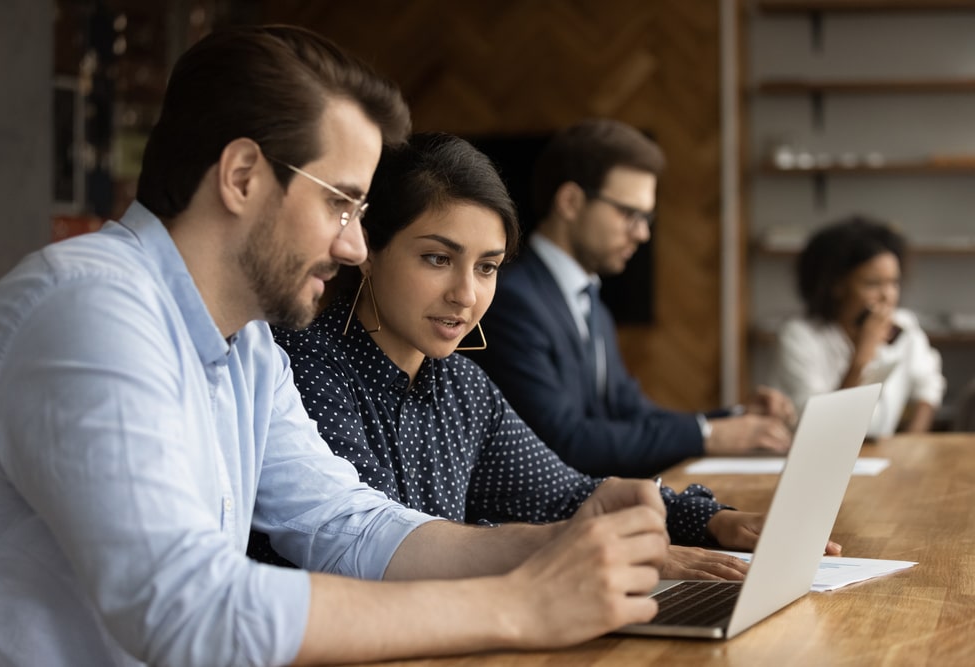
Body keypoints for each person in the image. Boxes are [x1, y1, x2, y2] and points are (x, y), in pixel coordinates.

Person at [0, 27, 672, 666]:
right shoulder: (89, 308)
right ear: (243, 175)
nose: (354, 244)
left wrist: (560, 545)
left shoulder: (246, 343)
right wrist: (520, 604)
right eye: (340, 203)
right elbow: (186, 608)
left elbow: (348, 523)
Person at [251, 133, 825, 581]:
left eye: (486, 266)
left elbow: (567, 493)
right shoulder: (306, 365)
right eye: (436, 258)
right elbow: (370, 549)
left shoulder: (460, 386)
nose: (466, 294)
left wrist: (713, 522)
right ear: (367, 252)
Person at [465, 118, 796, 479]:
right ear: (571, 201)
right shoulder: (511, 300)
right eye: (629, 214)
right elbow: (563, 441)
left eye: (647, 218)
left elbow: (632, 413)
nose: (641, 233)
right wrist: (710, 435)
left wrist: (736, 419)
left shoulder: (593, 304)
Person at [770, 215, 946, 437]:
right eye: (873, 284)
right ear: (837, 285)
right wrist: (862, 357)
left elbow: (928, 386)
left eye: (894, 282)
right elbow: (824, 429)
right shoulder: (799, 336)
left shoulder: (905, 325)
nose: (888, 296)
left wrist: (913, 441)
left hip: (882, 454)